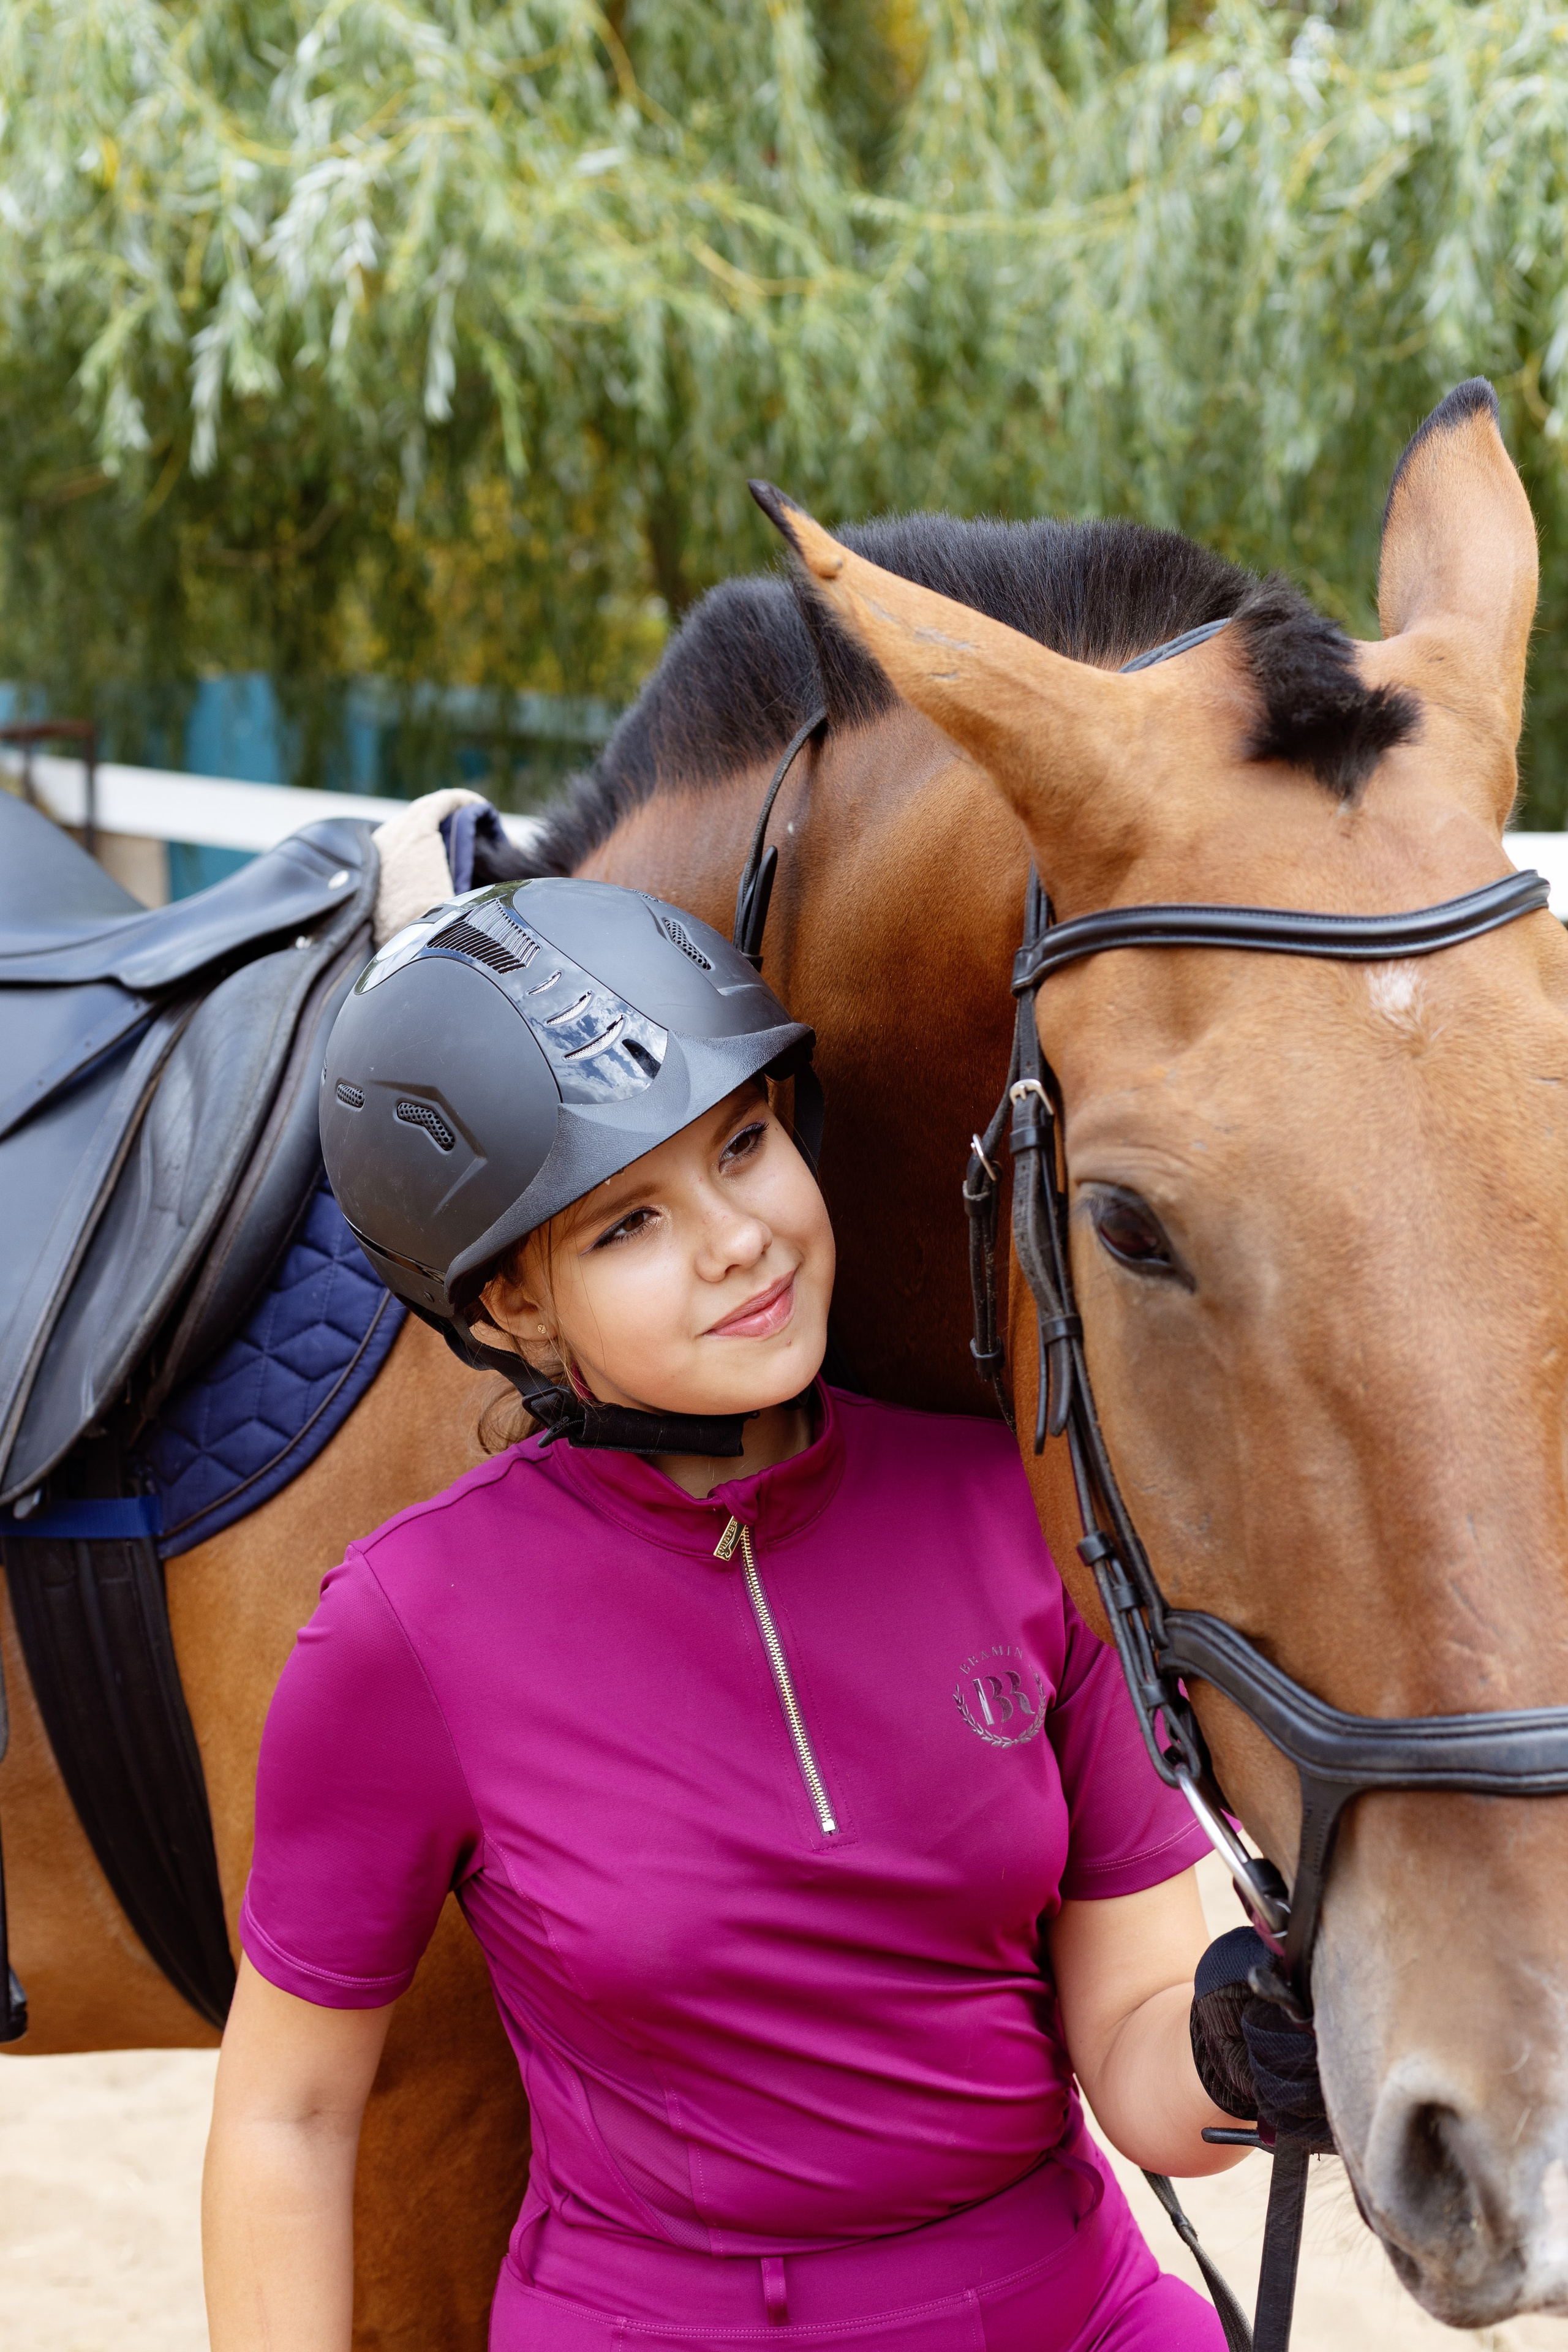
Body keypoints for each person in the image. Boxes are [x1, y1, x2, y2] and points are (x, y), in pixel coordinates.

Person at [201, 876, 1300, 2352]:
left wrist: (1245, 2046)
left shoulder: (1020, 1507)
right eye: (627, 1223)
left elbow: (1139, 2063)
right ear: (513, 1308)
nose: (737, 1239)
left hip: (1070, 2308)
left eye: (740, 1144)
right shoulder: (405, 1628)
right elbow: (286, 2113)